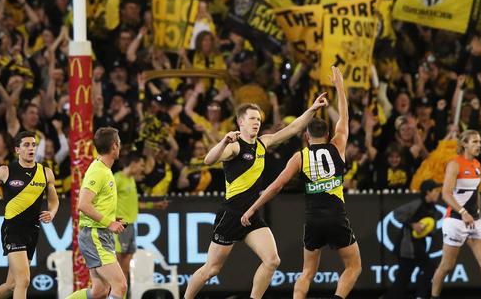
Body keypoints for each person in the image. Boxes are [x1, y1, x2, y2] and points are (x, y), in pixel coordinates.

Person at [183, 91, 329, 299]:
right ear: (240, 122)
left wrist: (312, 109)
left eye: (259, 119)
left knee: (272, 260)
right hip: (231, 215)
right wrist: (223, 142)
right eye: (252, 119)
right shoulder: (234, 146)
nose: (256, 123)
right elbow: (208, 160)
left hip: (251, 215)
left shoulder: (263, 143)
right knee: (211, 269)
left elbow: (294, 127)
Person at [241, 66, 361, 299]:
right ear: (327, 135)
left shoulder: (300, 156)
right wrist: (339, 86)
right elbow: (344, 118)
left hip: (313, 220)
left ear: (307, 137)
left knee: (307, 272)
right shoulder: (338, 146)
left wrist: (253, 208)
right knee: (354, 267)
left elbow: (275, 186)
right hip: (337, 217)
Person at [430, 130, 481, 299]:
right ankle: (433, 296)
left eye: (479, 142)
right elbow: (446, 193)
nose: (479, 145)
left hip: (474, 221)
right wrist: (463, 213)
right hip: (455, 220)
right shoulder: (454, 164)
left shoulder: (477, 164)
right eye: (475, 142)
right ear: (464, 144)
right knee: (447, 266)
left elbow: (476, 193)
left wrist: (478, 216)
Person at [0, 130, 59, 299]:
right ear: (17, 150)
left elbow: (54, 201)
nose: (31, 148)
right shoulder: (4, 171)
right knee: (24, 280)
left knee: (11, 285)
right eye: (26, 145)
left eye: (33, 145)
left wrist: (51, 213)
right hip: (12, 229)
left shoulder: (45, 173)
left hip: (32, 231)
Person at [66, 127, 127, 299]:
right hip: (96, 235)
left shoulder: (103, 170)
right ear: (114, 146)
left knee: (99, 291)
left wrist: (111, 218)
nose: (120, 147)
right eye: (119, 143)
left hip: (98, 234)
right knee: (120, 286)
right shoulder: (98, 171)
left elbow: (93, 204)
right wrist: (110, 223)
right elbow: (83, 204)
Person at [114, 152, 169, 285]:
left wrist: (155, 205)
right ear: (133, 164)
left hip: (131, 226)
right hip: (121, 227)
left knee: (125, 269)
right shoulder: (117, 178)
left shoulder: (131, 180)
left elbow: (134, 203)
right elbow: (106, 201)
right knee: (116, 269)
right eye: (141, 165)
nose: (143, 169)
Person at [386, 179, 442, 299]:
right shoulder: (416, 204)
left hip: (417, 246)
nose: (438, 193)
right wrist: (413, 225)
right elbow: (396, 213)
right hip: (407, 246)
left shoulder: (434, 210)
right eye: (436, 191)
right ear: (428, 192)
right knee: (427, 269)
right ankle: (420, 296)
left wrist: (428, 230)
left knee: (404, 278)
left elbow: (431, 232)